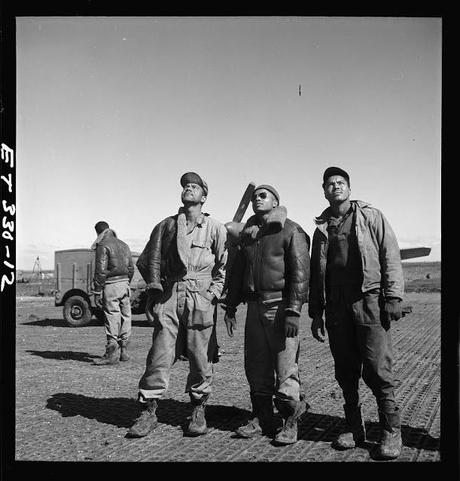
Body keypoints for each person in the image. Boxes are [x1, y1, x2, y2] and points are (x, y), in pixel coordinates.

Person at [309, 166, 404, 460]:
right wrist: (316, 313)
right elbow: (316, 274)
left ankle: (391, 430)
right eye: (330, 184)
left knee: (377, 367)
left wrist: (394, 296)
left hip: (369, 301)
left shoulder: (371, 217)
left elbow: (390, 254)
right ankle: (354, 427)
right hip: (336, 305)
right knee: (346, 369)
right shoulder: (321, 229)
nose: (336, 186)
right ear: (324, 191)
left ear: (349, 189)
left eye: (341, 182)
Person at [127, 172, 228, 438]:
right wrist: (155, 290)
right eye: (185, 186)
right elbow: (149, 260)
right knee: (160, 354)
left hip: (200, 295)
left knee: (200, 354)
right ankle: (148, 411)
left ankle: (198, 409)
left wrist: (212, 295)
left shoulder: (216, 228)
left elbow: (224, 267)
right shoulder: (167, 226)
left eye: (195, 186)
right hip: (170, 295)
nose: (189, 188)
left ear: (204, 197)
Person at [223, 184, 310, 445]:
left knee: (285, 368)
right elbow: (238, 272)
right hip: (253, 309)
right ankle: (262, 418)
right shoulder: (248, 235)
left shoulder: (290, 230)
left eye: (263, 196)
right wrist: (230, 306)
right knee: (256, 367)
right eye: (253, 197)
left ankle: (289, 421)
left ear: (275, 202)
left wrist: (294, 311)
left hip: (281, 308)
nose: (256, 200)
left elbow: (301, 274)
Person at [91, 221, 134, 365]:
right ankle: (124, 351)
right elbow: (131, 268)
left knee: (112, 316)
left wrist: (97, 290)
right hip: (125, 284)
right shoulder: (124, 245)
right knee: (126, 316)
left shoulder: (102, 245)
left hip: (111, 285)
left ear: (98, 233)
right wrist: (127, 282)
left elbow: (101, 270)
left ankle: (111, 354)